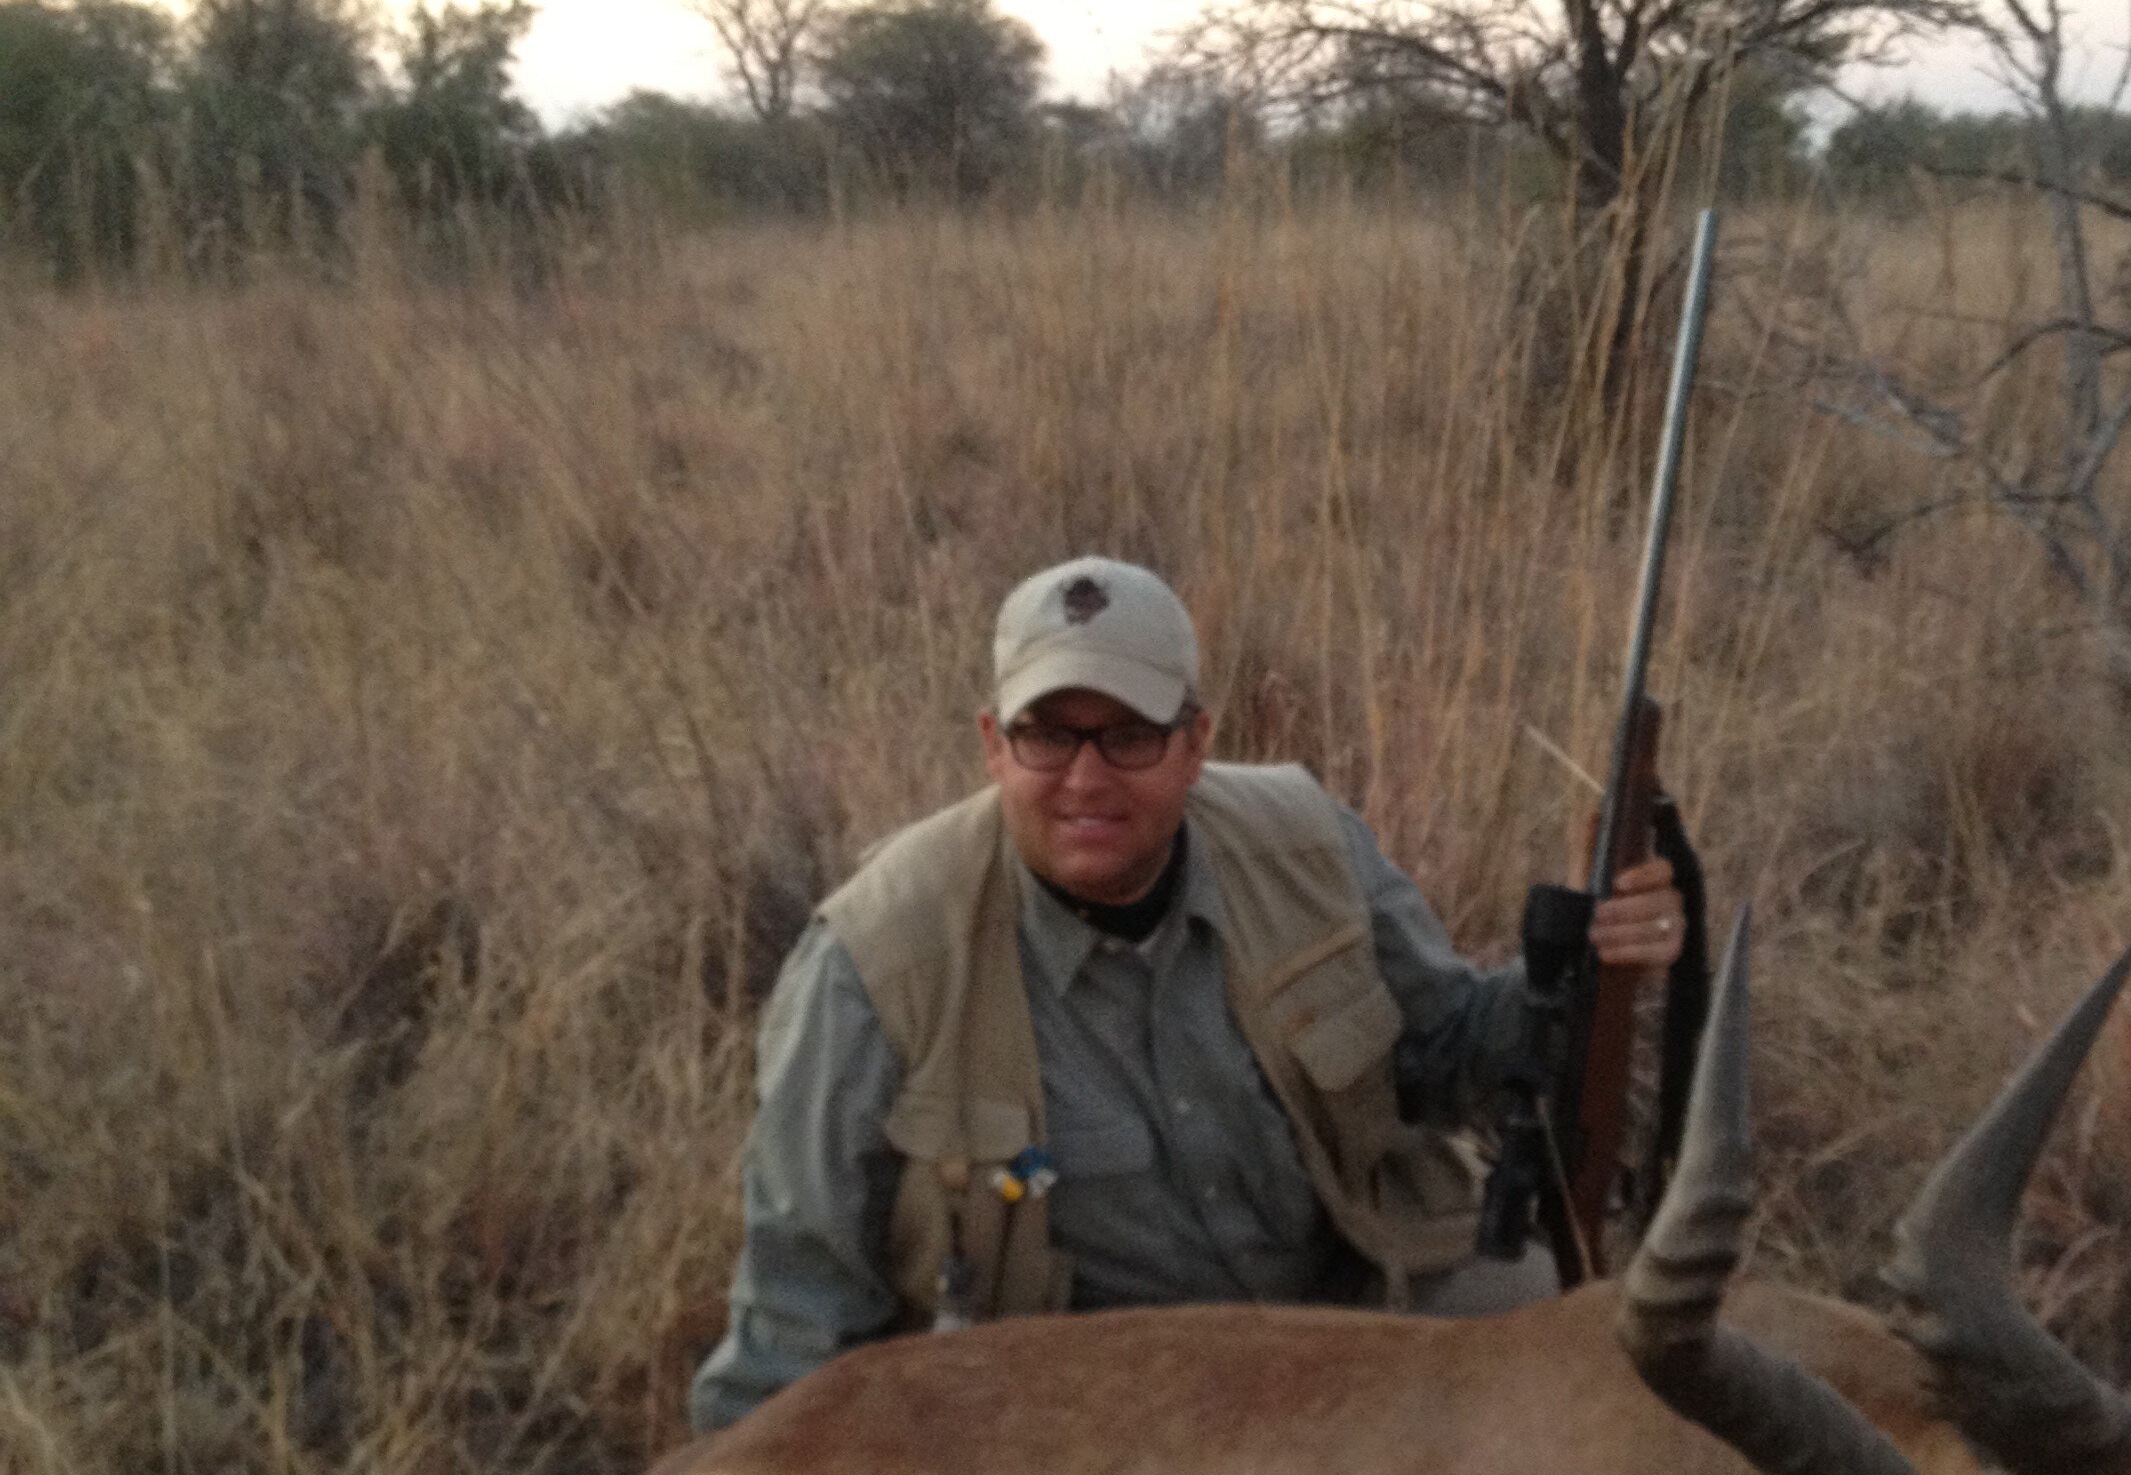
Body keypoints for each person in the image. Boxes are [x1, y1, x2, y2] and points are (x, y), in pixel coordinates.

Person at [691, 556, 1688, 1430]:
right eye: (1047, 736)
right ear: (994, 744)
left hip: (1349, 1307)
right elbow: (796, 1314)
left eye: (1129, 735)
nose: (1086, 778)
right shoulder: (873, 961)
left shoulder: (1306, 842)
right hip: (1083, 1414)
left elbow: (1449, 1055)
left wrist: (1594, 970)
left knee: (1583, 1356)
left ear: (1196, 740)